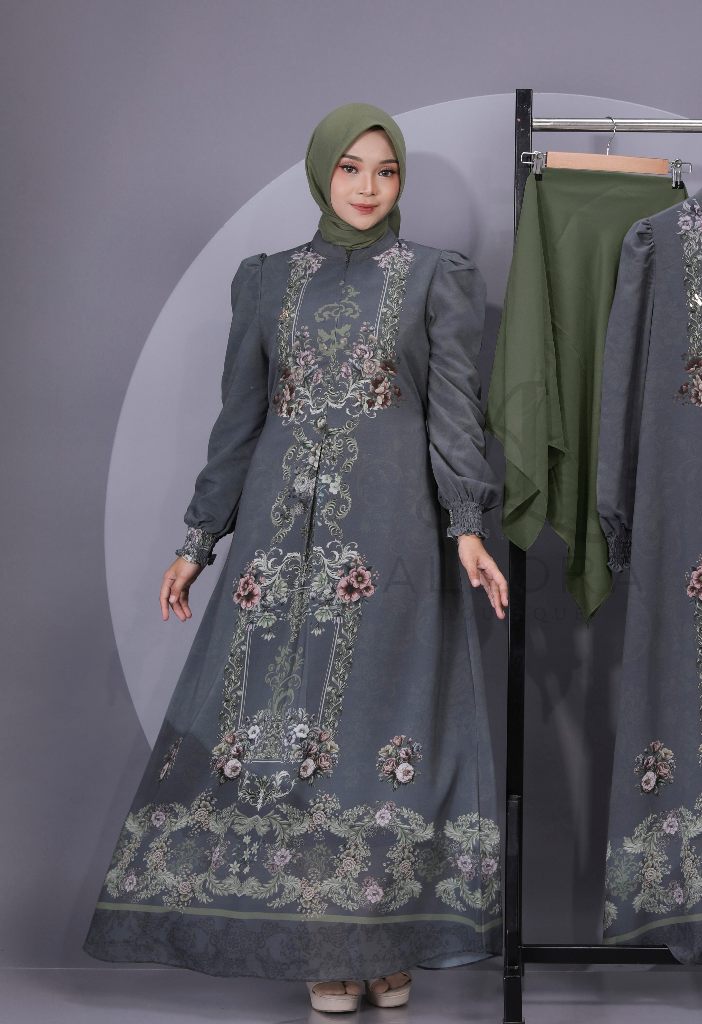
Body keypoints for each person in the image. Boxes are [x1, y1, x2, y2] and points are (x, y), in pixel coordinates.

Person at [84, 103, 508, 1014]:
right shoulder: (268, 282)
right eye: (350, 168)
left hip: (393, 538)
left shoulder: (435, 277)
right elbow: (239, 423)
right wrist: (198, 541)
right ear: (322, 173)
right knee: (292, 743)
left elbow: (454, 415)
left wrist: (468, 526)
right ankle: (324, 947)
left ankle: (383, 941)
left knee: (379, 736)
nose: (367, 187)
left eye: (385, 171)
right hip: (279, 546)